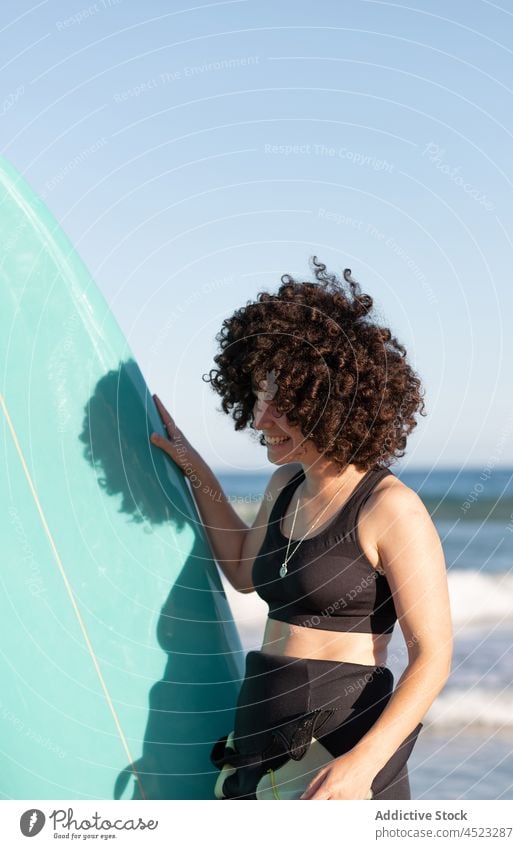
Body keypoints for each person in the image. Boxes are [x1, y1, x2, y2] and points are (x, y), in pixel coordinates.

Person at [150, 257, 453, 800]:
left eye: (281, 404)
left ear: (332, 403)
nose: (260, 419)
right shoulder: (287, 485)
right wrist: (193, 467)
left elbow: (432, 655)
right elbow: (243, 571)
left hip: (340, 753)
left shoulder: (390, 508)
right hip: (260, 739)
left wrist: (362, 765)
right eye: (259, 398)